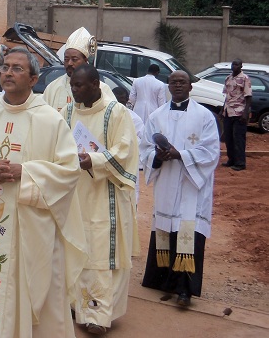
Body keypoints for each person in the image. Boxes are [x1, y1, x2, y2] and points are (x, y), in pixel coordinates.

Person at [0, 47, 86, 337]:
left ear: (34, 79)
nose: (8, 73)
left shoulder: (50, 120)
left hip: (30, 226)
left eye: (17, 68)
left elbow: (69, 170)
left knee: (30, 290)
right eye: (5, 67)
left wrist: (25, 172)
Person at [66, 64, 139, 335]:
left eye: (80, 86)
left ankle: (98, 314)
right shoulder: (68, 111)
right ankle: (77, 305)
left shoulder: (115, 112)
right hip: (76, 195)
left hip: (105, 195)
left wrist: (93, 160)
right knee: (77, 248)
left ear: (96, 84)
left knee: (100, 254)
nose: (74, 90)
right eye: (72, 85)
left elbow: (126, 150)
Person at [140, 70, 219, 307]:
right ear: (168, 86)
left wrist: (180, 154)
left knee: (187, 232)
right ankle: (164, 283)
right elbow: (144, 147)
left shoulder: (204, 116)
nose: (177, 85)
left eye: (182, 82)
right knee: (166, 230)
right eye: (173, 82)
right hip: (166, 183)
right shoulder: (156, 116)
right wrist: (158, 157)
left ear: (190, 87)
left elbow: (211, 151)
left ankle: (185, 290)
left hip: (190, 187)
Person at [43, 27, 114, 112]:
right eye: (66, 59)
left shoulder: (102, 89)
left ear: (85, 60)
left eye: (74, 59)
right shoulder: (53, 88)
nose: (69, 63)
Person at [113, 86, 144, 205]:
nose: (120, 103)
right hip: (112, 159)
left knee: (130, 192)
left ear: (127, 100)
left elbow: (142, 141)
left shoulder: (135, 119)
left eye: (122, 100)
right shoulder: (108, 115)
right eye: (117, 100)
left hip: (129, 161)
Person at [221, 59, 252, 171]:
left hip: (239, 112)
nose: (234, 66)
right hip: (228, 112)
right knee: (228, 138)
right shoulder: (228, 78)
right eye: (233, 64)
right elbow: (227, 96)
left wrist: (245, 113)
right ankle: (231, 160)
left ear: (241, 66)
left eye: (237, 64)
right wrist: (222, 110)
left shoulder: (245, 79)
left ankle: (240, 163)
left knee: (238, 138)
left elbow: (248, 97)